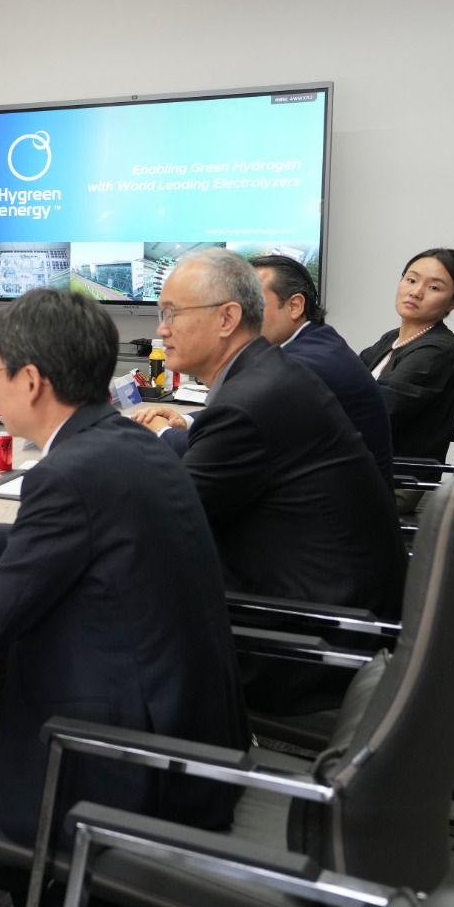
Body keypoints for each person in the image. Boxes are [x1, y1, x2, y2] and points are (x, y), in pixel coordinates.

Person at [0, 288, 246, 895]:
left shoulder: (65, 473)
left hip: (126, 764)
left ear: (31, 382)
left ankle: (64, 890)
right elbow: (89, 532)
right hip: (191, 727)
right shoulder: (129, 442)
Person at [144, 249, 405, 712]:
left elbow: (166, 522)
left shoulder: (248, 401)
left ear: (227, 318)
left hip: (305, 644)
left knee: (110, 603)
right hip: (346, 611)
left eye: (171, 313)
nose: (161, 329)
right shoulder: (269, 372)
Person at [134, 255, 393, 484]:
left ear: (294, 306)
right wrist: (187, 420)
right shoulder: (312, 344)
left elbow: (226, 443)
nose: (243, 316)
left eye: (254, 304)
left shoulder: (301, 366)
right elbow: (241, 422)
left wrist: (160, 431)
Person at [359, 248, 454, 467]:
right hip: (362, 464)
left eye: (434, 287)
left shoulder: (437, 352)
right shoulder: (393, 338)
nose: (416, 292)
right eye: (411, 280)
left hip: (392, 475)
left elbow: (376, 410)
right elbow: (345, 379)